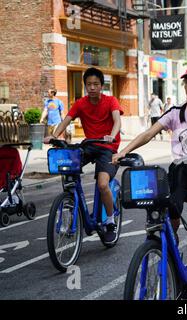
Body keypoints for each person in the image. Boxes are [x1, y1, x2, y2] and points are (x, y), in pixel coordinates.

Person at [113, 64, 187, 300]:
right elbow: (148, 134)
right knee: (167, 218)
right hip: (180, 172)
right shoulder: (174, 113)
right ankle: (174, 264)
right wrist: (124, 151)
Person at [44, 67, 123, 243]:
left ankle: (110, 222)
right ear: (85, 86)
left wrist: (112, 134)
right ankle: (71, 202)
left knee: (103, 185)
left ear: (102, 85)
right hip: (88, 145)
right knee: (69, 168)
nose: (92, 87)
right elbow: (66, 120)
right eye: (89, 84)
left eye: (96, 84)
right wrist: (54, 136)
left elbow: (117, 120)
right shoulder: (81, 103)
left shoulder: (111, 101)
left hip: (107, 147)